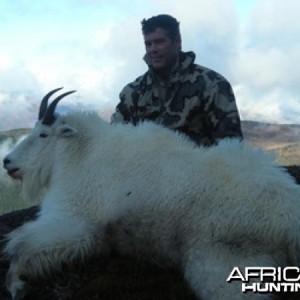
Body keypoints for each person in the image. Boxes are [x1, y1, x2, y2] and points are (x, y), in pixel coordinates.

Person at [111, 14, 243, 146]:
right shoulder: (133, 92)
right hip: (145, 165)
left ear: (177, 41)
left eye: (159, 42)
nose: (152, 50)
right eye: (148, 44)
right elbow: (115, 141)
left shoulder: (212, 85)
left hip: (198, 165)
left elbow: (231, 149)